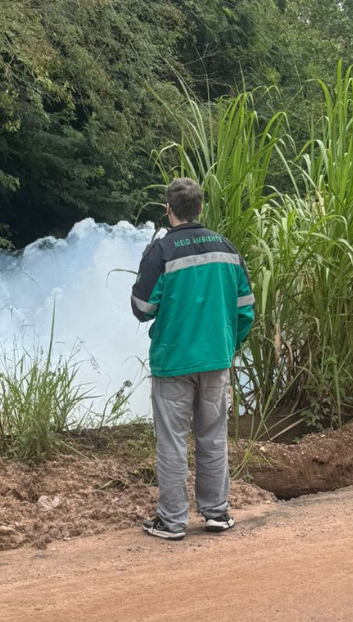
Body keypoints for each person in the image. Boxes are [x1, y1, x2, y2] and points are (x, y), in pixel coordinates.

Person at [131, 177, 255, 540]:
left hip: (173, 361)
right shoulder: (226, 248)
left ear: (168, 210)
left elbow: (142, 308)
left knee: (171, 441)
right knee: (213, 437)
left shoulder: (161, 251)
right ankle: (216, 513)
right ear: (201, 208)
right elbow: (245, 309)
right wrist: (227, 343)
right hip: (216, 358)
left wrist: (145, 264)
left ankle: (172, 522)